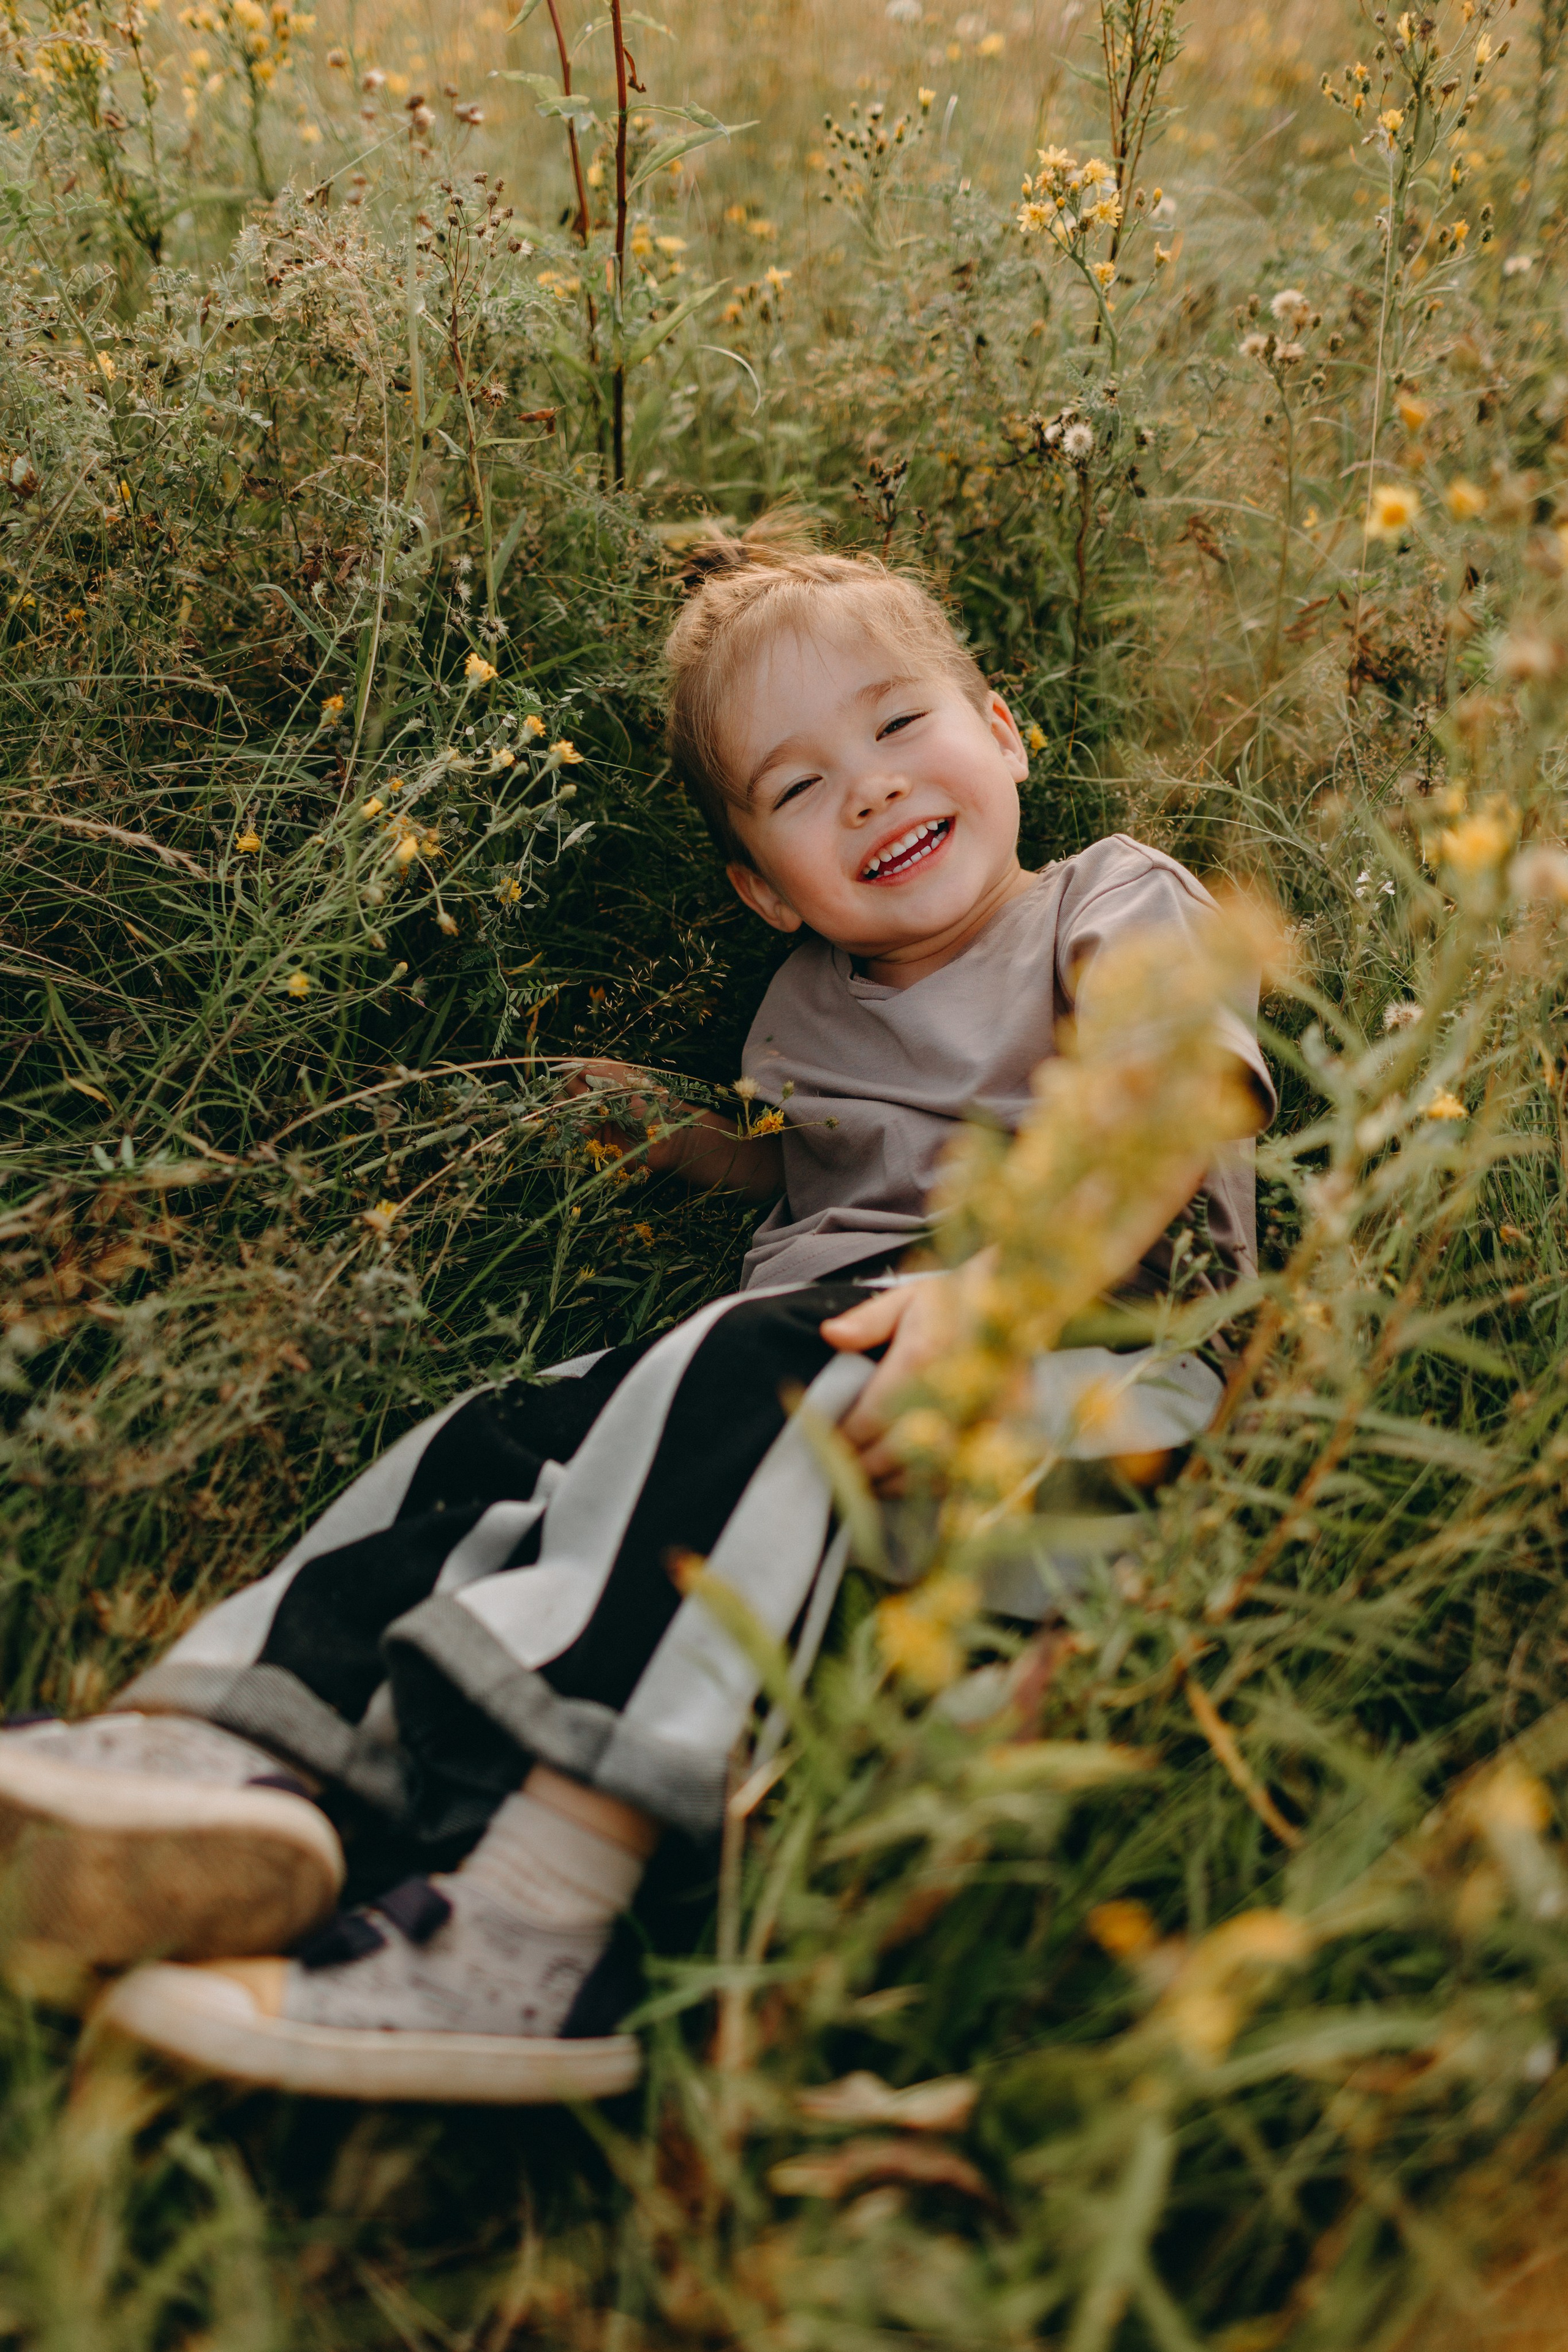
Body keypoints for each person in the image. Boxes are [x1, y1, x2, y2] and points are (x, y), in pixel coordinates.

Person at [0, 527, 1274, 2103]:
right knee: (509, 1432)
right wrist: (699, 1153)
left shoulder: (1107, 896)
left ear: (1002, 732)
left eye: (896, 725)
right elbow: (838, 1172)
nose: (867, 788)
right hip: (809, 1356)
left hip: (1080, 1369)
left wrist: (1000, 1297)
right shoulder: (803, 1003)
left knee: (742, 1372)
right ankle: (237, 1750)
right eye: (797, 788)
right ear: (758, 886)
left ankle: (534, 1936)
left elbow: (1162, 1110)